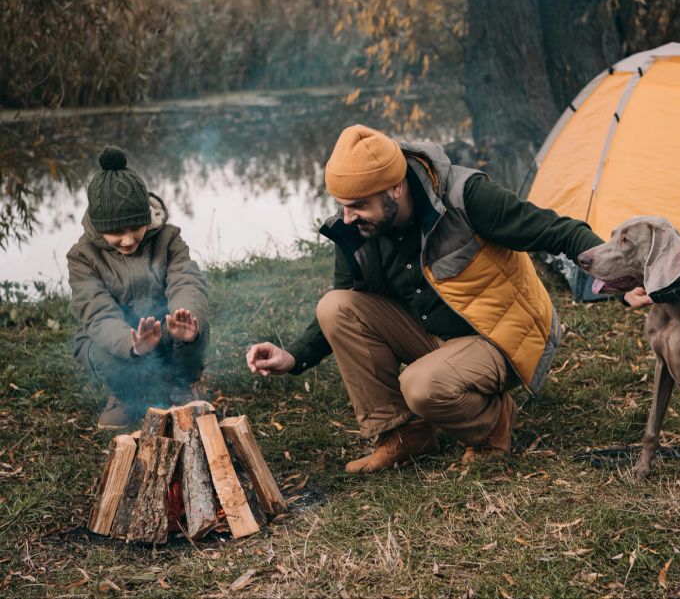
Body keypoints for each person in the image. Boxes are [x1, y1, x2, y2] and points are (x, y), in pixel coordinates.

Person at [246, 125, 650, 473]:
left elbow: (556, 230)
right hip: (432, 337)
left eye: (357, 206)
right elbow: (349, 300)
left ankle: (494, 425)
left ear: (394, 187)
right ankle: (403, 436)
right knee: (335, 306)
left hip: (497, 336)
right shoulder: (357, 228)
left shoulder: (466, 195)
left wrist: (621, 277)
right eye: (341, 206)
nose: (347, 217)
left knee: (420, 385)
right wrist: (294, 356)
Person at [67, 146, 209, 429]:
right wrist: (130, 343)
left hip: (161, 329)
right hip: (121, 338)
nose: (129, 239)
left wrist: (187, 315)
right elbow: (96, 313)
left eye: (136, 226)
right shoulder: (82, 256)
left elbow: (186, 279)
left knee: (193, 327)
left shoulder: (168, 239)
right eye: (117, 232)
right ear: (99, 226)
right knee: (105, 351)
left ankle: (181, 388)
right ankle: (124, 396)